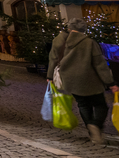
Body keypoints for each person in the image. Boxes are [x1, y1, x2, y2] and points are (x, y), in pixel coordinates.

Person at [47, 17, 119, 145]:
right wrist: (111, 83)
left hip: (69, 79)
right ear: (83, 30)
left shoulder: (59, 40)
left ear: (69, 28)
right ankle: (95, 125)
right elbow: (99, 64)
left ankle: (92, 133)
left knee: (83, 105)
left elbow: (52, 58)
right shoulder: (89, 42)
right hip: (90, 79)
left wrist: (50, 76)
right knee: (100, 105)